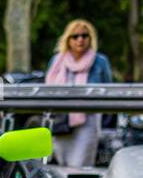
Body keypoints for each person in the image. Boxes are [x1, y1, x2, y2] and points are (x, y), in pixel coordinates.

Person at [44, 19, 112, 166]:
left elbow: (108, 90)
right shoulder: (56, 61)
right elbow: (48, 90)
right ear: (68, 40)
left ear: (90, 38)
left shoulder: (100, 61)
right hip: (61, 121)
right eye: (75, 36)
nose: (80, 39)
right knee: (62, 164)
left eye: (84, 35)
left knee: (80, 166)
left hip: (87, 120)